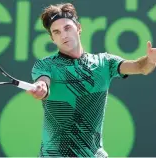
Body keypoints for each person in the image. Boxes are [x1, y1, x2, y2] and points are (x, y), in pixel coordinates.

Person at [27, 3, 156, 157]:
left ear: (78, 28)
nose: (64, 35)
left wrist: (151, 60)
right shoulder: (45, 65)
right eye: (57, 32)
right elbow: (43, 82)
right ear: (52, 38)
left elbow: (139, 67)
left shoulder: (105, 63)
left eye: (67, 28)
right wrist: (41, 87)